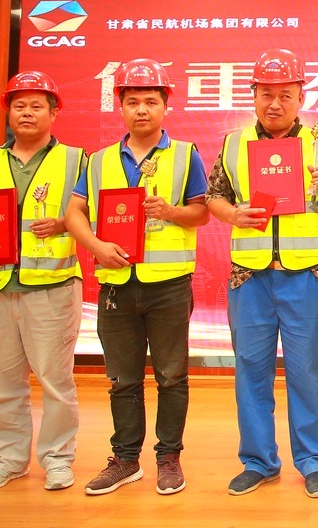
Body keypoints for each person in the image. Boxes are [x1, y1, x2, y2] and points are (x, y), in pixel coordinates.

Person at [64, 59, 210, 496]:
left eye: (150, 101)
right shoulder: (99, 160)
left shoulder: (185, 154)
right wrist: (96, 247)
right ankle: (126, 459)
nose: (141, 109)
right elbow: (74, 213)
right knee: (122, 379)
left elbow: (202, 212)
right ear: (120, 107)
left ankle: (169, 457)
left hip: (169, 284)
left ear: (165, 106)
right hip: (116, 284)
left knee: (171, 376)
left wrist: (171, 212)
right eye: (132, 101)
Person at [205, 48, 318, 498]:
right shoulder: (233, 143)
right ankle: (258, 461)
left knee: (311, 372)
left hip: (307, 275)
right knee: (250, 370)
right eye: (266, 94)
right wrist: (233, 215)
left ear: (301, 96)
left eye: (285, 94)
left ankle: (314, 460)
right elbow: (213, 197)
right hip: (249, 277)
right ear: (253, 95)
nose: (275, 104)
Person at [0, 70, 85, 493]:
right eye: (18, 105)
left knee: (55, 384)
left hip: (52, 288)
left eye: (36, 106)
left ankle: (58, 459)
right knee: (3, 386)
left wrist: (63, 223)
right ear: (8, 112)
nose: (26, 113)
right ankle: (8, 460)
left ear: (54, 113)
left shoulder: (77, 159)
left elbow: (93, 214)